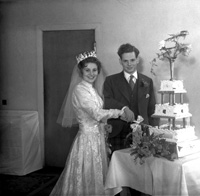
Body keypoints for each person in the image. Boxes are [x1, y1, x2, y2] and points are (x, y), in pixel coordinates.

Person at [50, 51, 125, 196]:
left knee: (97, 173)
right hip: (87, 140)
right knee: (86, 172)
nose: (91, 73)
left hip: (97, 137)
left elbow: (94, 116)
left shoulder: (92, 90)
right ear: (81, 71)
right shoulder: (80, 90)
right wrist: (120, 112)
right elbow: (96, 113)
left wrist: (104, 125)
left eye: (94, 70)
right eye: (87, 70)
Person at [103, 43, 159, 152]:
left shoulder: (147, 81)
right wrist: (123, 108)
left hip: (143, 131)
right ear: (120, 61)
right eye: (125, 61)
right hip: (118, 132)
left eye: (132, 60)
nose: (129, 64)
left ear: (137, 60)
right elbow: (107, 101)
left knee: (141, 167)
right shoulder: (110, 81)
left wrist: (154, 130)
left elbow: (152, 108)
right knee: (119, 166)